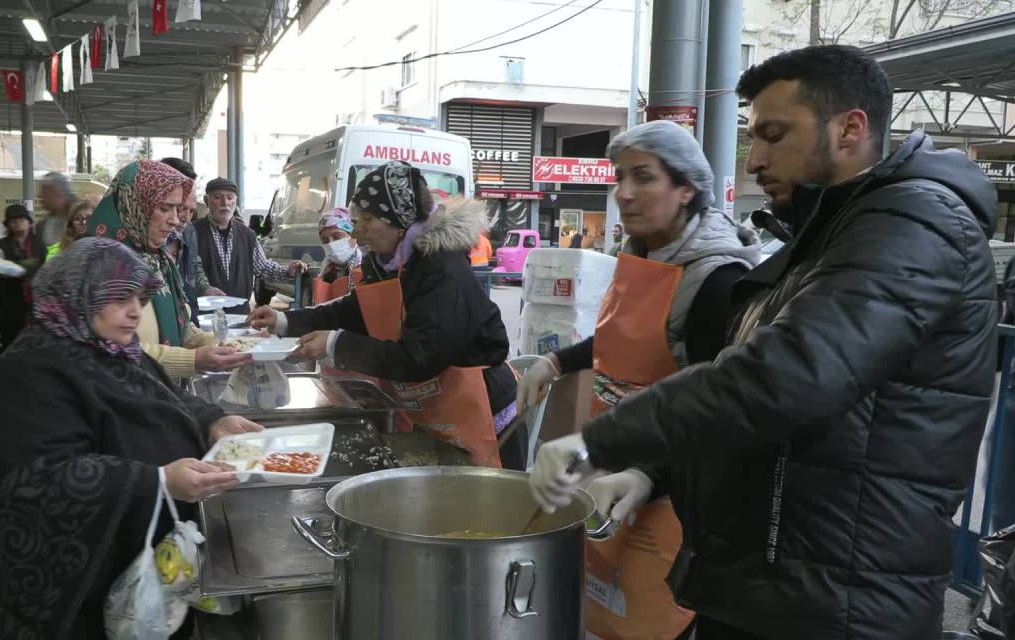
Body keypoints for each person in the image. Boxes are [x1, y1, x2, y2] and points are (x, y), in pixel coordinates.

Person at [528, 45, 999, 640]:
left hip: (838, 602)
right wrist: (655, 470)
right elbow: (752, 397)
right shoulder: (827, 235)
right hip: (778, 583)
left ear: (850, 128)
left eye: (775, 135)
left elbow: (786, 377)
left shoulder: (915, 223)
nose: (755, 160)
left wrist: (601, 441)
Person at [0, 237, 265, 639]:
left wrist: (213, 421)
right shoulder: (30, 372)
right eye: (119, 300)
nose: (135, 313)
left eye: (140, 298)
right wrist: (159, 481)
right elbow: (37, 481)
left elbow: (165, 396)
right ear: (76, 295)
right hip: (34, 605)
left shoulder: (111, 348)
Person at [515, 119, 760, 640]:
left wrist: (648, 474)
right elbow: (620, 337)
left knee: (655, 617)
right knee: (607, 610)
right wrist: (557, 363)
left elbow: (718, 410)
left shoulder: (718, 280)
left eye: (644, 178)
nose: (624, 193)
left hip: (673, 493)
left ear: (687, 187)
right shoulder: (643, 252)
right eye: (619, 177)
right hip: (612, 469)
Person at [249, 161, 520, 469]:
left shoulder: (443, 270)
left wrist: (336, 344)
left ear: (400, 221)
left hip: (487, 415)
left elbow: (419, 357)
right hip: (440, 411)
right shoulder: (388, 261)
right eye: (356, 218)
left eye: (368, 218)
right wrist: (285, 321)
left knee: (489, 512)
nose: (358, 229)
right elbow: (355, 309)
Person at [87, 160, 251, 378]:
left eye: (179, 208)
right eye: (165, 208)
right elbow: (110, 351)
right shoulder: (97, 264)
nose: (175, 220)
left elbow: (182, 327)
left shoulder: (159, 260)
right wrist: (193, 360)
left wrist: (229, 344)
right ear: (134, 204)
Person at [193, 177, 306, 314]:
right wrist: (203, 288)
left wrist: (288, 271)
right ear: (206, 201)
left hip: (239, 315)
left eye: (230, 198)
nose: (225, 203)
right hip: (202, 316)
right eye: (217, 197)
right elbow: (189, 271)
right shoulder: (193, 232)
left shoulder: (247, 235)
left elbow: (263, 268)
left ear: (235, 201)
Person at [160, 157, 222, 322]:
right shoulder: (142, 240)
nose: (185, 218)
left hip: (187, 320)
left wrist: (205, 288)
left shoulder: (189, 231)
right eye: (179, 208)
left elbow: (194, 263)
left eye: (191, 211)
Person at [0, 204, 42, 351]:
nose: (17, 223)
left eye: (21, 219)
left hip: (37, 304)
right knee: (10, 347)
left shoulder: (40, 243)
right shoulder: (1, 245)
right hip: (9, 306)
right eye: (13, 220)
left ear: (29, 222)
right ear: (8, 224)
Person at [312, 207, 363, 304]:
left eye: (337, 237)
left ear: (353, 235)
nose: (331, 244)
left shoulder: (368, 268)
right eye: (325, 241)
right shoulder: (325, 271)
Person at [37, 171, 75, 246]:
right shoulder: (42, 225)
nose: (40, 195)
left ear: (59, 192)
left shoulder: (82, 219)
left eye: (45, 191)